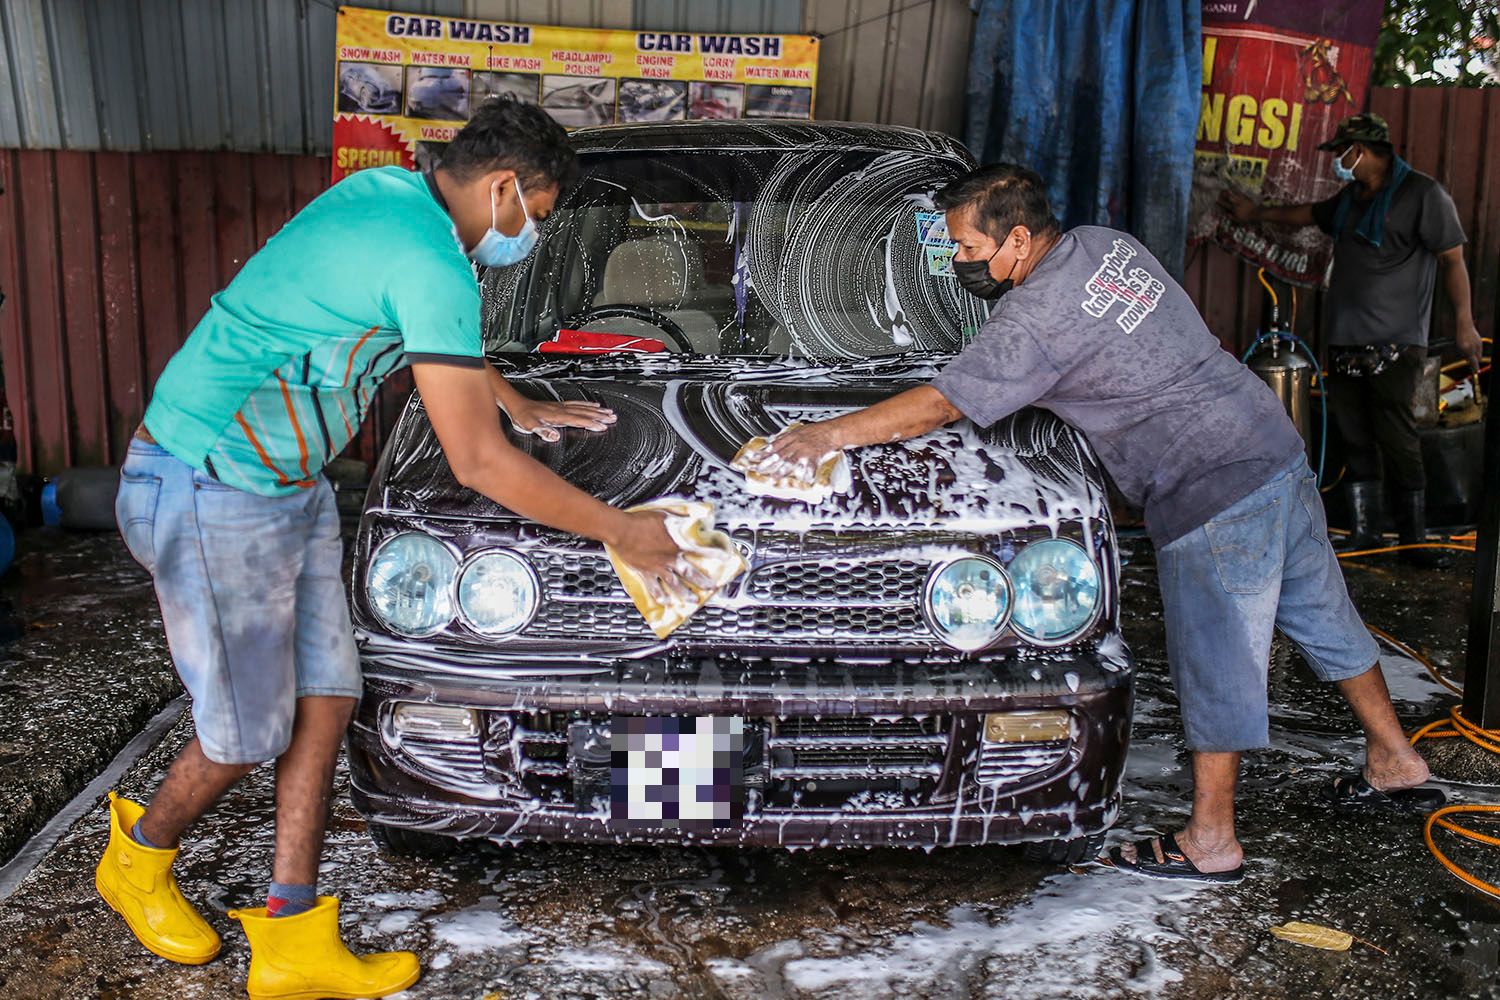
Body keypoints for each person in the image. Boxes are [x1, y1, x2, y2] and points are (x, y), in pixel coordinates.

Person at [100, 98, 690, 997]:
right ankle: (137, 860)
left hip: (282, 486)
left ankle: (294, 940)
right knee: (245, 733)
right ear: (503, 188)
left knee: (328, 698)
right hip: (203, 482)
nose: (531, 231)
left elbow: (431, 330)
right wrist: (624, 532)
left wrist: (512, 396)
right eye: (537, 211)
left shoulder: (390, 197)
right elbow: (480, 464)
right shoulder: (427, 259)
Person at [762, 163, 1444, 883]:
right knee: (1325, 616)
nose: (959, 262)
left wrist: (827, 435)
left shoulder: (1035, 318)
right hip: (1266, 440)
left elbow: (940, 405)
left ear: (1016, 240)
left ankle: (1212, 841)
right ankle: (1396, 760)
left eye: (966, 247)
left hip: (1208, 482)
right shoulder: (1104, 245)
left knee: (1217, 660)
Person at [1219, 113, 1481, 564]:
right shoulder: (1351, 199)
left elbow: (1452, 260)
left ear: (1362, 149)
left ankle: (1412, 540)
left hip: (1395, 342)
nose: (1339, 161)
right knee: (1355, 437)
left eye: (1344, 152)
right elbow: (1307, 214)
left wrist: (1465, 323)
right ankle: (1364, 534)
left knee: (1397, 437)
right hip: (1344, 341)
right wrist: (1254, 212)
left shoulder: (1423, 194)